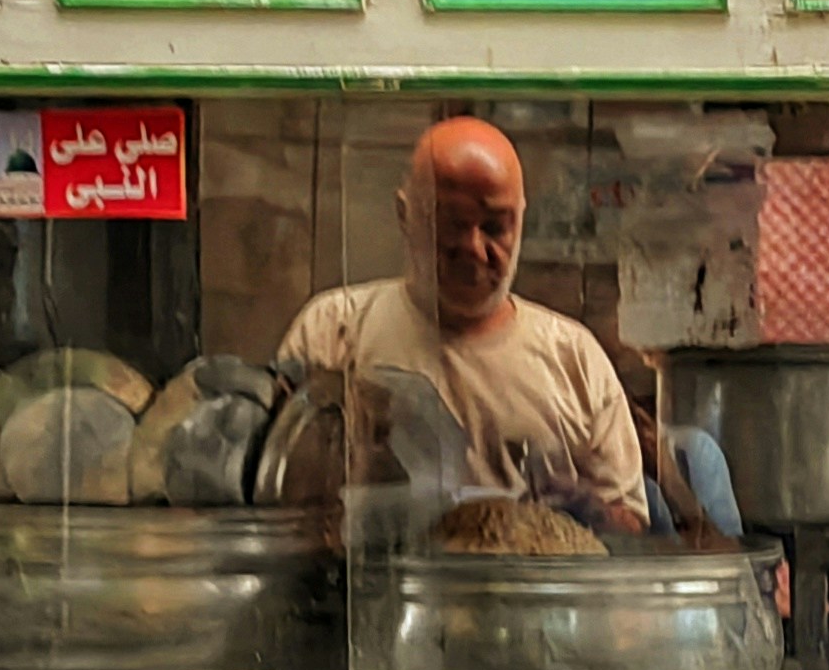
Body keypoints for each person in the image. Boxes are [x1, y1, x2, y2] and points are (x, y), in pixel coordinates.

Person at [277, 117, 647, 531]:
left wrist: (588, 512)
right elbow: (277, 496)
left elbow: (628, 529)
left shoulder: (574, 360)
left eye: (494, 227)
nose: (472, 248)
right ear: (405, 215)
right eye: (450, 224)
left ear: (520, 221)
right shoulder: (332, 331)